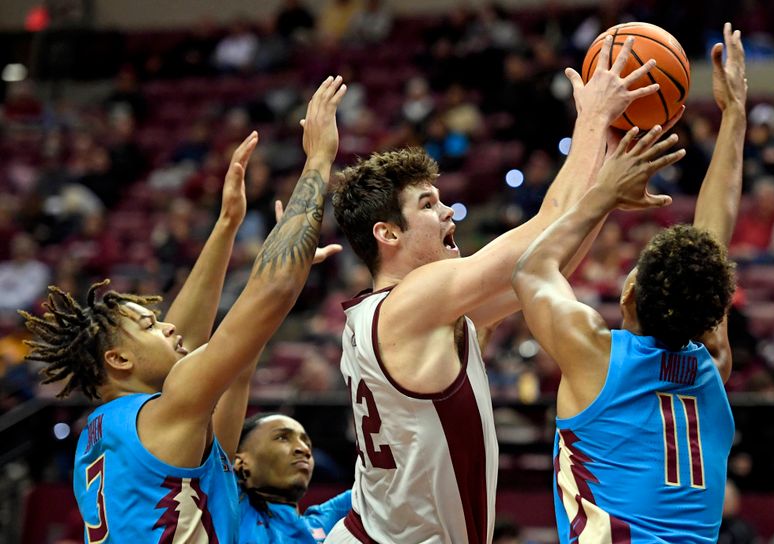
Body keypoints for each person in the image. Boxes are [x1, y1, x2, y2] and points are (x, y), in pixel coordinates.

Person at [325, 36, 663, 543]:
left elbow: (545, 265)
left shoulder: (419, 316)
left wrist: (604, 198)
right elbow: (547, 225)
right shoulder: (413, 301)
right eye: (428, 204)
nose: (447, 212)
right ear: (387, 233)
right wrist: (592, 120)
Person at [20, 76, 347, 542]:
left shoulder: (105, 428)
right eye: (150, 324)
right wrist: (318, 159)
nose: (168, 328)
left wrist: (226, 225)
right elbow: (272, 292)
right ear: (119, 359)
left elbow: (183, 338)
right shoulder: (167, 414)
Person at [511, 23, 746, 543]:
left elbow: (530, 268)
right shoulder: (712, 366)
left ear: (627, 297)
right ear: (711, 311)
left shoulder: (595, 355)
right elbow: (715, 239)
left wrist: (606, 194)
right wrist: (734, 117)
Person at [235, 413, 352, 543]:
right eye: (282, 438)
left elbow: (375, 481)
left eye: (307, 444)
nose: (304, 449)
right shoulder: (233, 513)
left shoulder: (325, 522)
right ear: (239, 462)